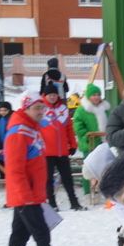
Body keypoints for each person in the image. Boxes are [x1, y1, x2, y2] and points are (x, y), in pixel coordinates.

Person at [2, 90, 79, 246]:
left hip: (33, 194)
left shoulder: (32, 129)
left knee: (19, 236)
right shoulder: (19, 133)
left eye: (42, 107)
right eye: (37, 108)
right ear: (25, 108)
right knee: (41, 232)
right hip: (25, 196)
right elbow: (15, 169)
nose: (41, 111)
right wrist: (25, 195)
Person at [37, 80, 82, 210]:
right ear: (45, 96)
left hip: (62, 151)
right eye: (50, 95)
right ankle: (52, 203)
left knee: (68, 179)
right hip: (46, 152)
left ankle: (74, 202)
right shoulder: (40, 109)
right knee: (48, 180)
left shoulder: (63, 109)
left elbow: (69, 128)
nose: (52, 97)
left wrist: (72, 144)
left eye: (54, 95)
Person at [74, 84, 109, 195]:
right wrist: (86, 135)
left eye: (98, 95)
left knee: (104, 166)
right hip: (90, 142)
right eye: (93, 95)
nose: (96, 97)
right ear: (89, 96)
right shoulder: (82, 110)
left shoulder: (105, 108)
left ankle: (103, 189)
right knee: (89, 167)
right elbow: (78, 125)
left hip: (103, 141)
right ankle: (88, 190)